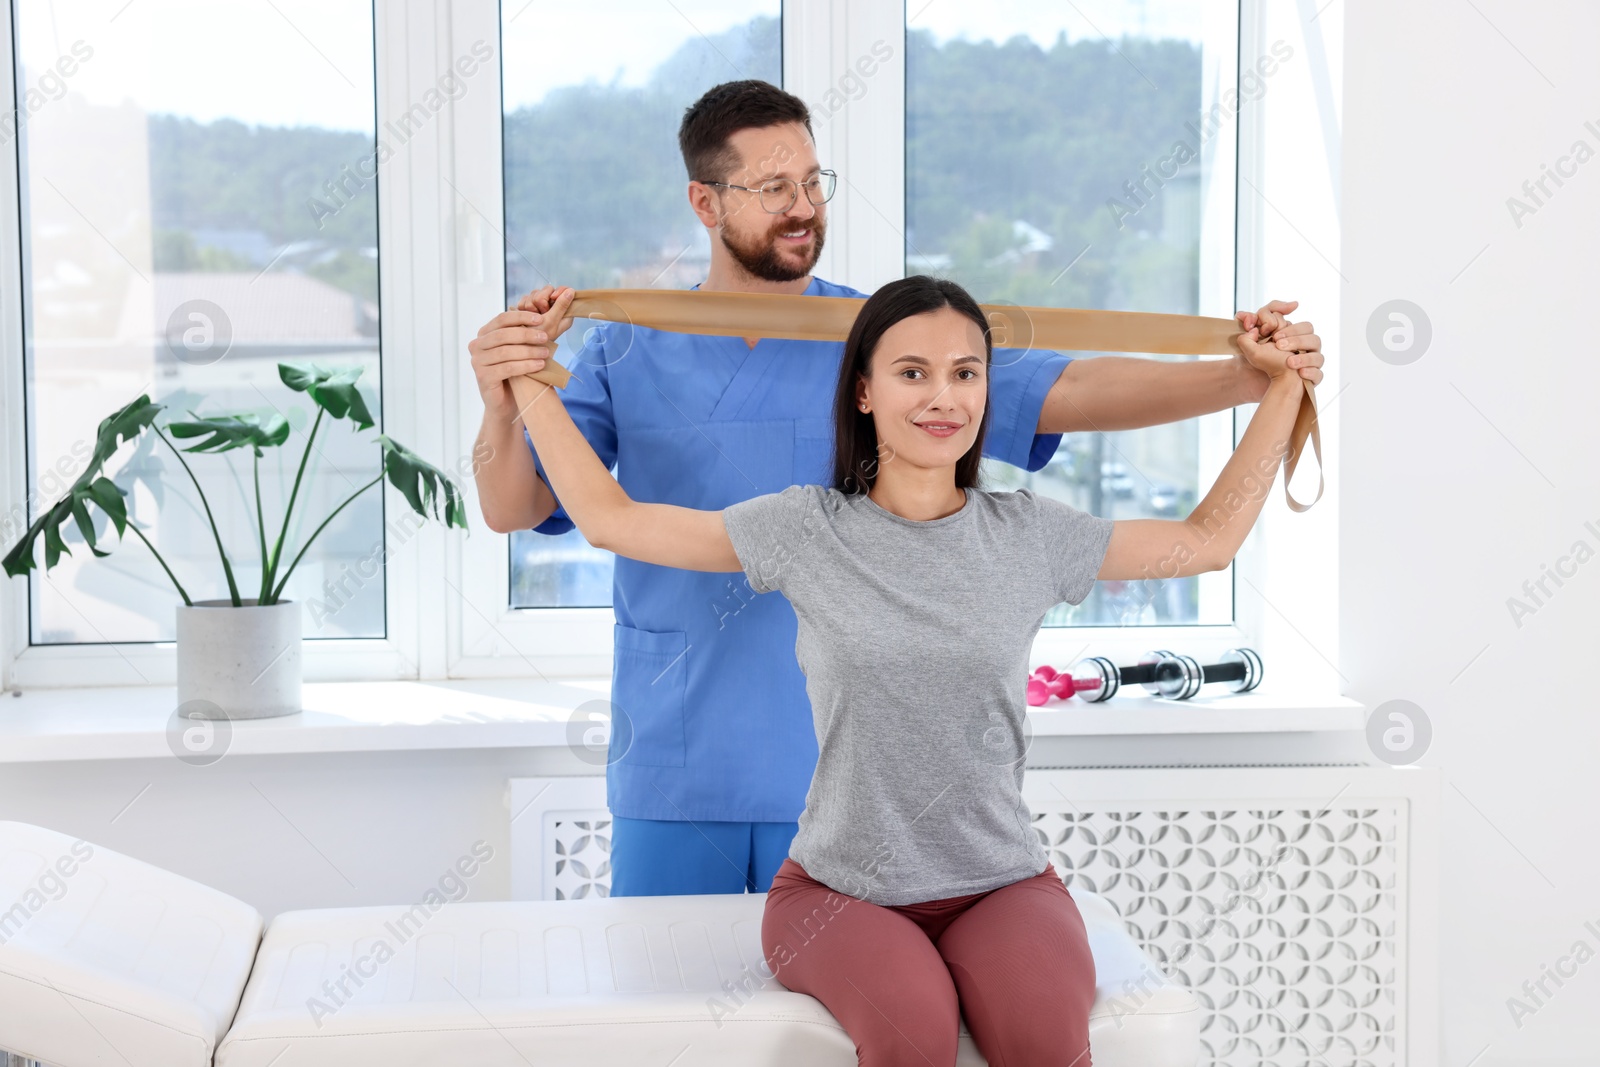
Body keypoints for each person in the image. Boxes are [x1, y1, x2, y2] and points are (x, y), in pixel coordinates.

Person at [469, 79, 1325, 898]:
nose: (802, 206)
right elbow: (518, 507)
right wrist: (504, 399)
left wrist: (1242, 381)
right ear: (706, 203)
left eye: (812, 180)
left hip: (847, 767)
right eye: (772, 187)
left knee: (818, 1033)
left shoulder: (881, 337)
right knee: (665, 1015)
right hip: (678, 750)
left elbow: (1068, 389)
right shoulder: (628, 348)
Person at [514, 273, 1305, 1067]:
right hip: (836, 891)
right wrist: (527, 379)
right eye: (912, 372)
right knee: (913, 1037)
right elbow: (613, 518)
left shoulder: (1029, 534)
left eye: (966, 372)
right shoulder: (806, 529)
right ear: (863, 391)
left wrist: (1282, 387)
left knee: (1044, 1040)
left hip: (1001, 882)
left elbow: (1207, 539)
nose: (944, 396)